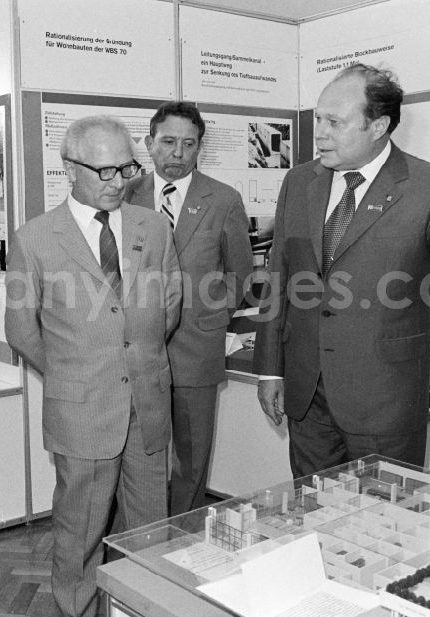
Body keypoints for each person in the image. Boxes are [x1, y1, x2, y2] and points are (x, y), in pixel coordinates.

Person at [253, 64, 430, 479]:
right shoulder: (299, 183)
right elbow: (279, 277)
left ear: (379, 125)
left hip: (384, 400)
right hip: (307, 397)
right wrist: (270, 368)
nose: (321, 132)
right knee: (312, 515)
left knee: (386, 518)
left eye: (335, 121)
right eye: (319, 119)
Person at [5, 115, 181, 617]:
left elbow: (168, 306)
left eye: (125, 169)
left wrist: (133, 358)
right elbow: (22, 331)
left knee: (151, 535)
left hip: (147, 404)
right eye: (102, 171)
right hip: (82, 411)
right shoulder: (35, 238)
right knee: (79, 535)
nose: (116, 182)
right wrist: (74, 373)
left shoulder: (153, 226)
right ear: (69, 168)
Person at [124, 101, 253, 515]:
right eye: (168, 142)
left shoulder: (224, 200)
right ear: (148, 143)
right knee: (137, 456)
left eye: (189, 144)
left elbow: (240, 273)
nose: (178, 153)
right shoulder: (124, 197)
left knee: (191, 458)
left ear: (200, 147)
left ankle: (181, 540)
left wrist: (214, 320)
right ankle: (138, 543)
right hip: (137, 352)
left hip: (197, 350)